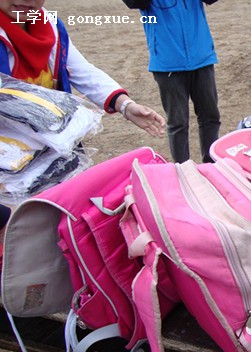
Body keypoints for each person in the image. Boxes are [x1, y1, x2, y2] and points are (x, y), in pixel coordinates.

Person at [0, 0, 165, 233]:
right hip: (8, 161)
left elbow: (80, 70)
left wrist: (125, 105)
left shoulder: (47, 23)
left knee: (61, 226)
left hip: (54, 148)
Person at [138, 0, 221, 163]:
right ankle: (182, 168)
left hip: (201, 56)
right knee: (178, 123)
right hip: (167, 62)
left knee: (210, 116)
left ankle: (211, 166)